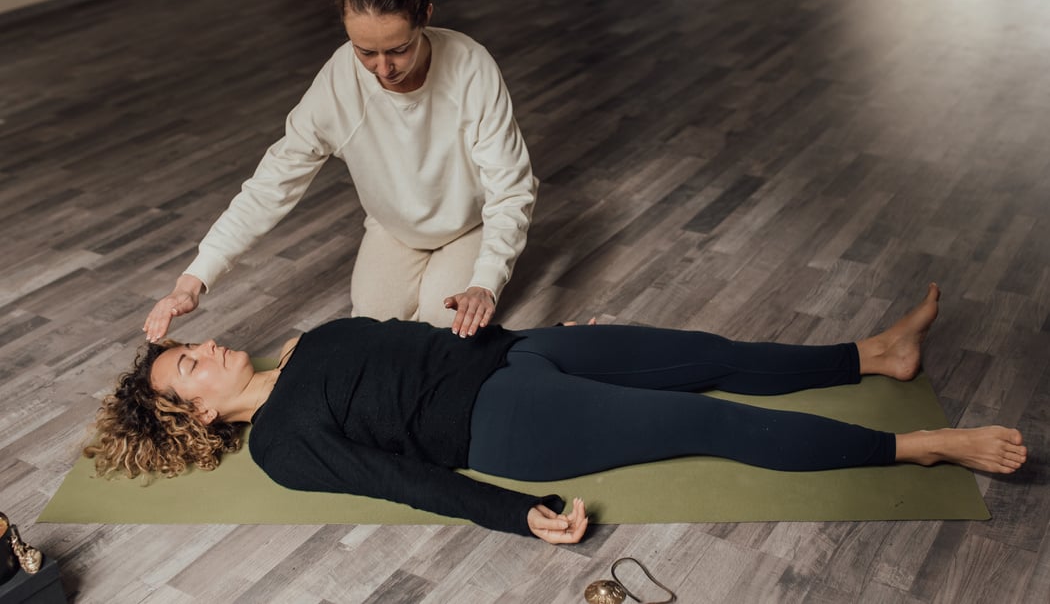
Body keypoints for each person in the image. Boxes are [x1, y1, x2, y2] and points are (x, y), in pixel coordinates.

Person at [92, 284, 1027, 544]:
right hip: (505, 422)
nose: (210, 347)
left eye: (196, 343)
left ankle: (874, 353)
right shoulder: (283, 448)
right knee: (702, 417)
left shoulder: (300, 343)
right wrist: (516, 508)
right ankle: (920, 447)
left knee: (700, 353)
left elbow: (415, 340)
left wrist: (503, 316)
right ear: (197, 416)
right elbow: (402, 480)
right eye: (190, 363)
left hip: (514, 348)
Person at [143, 0, 537, 342]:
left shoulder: (471, 66)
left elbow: (511, 188)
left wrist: (485, 280)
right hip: (394, 230)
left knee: (442, 328)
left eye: (398, 50)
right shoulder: (338, 81)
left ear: (424, 15)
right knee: (369, 328)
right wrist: (194, 278)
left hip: (469, 226)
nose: (382, 69)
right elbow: (274, 182)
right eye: (365, 51)